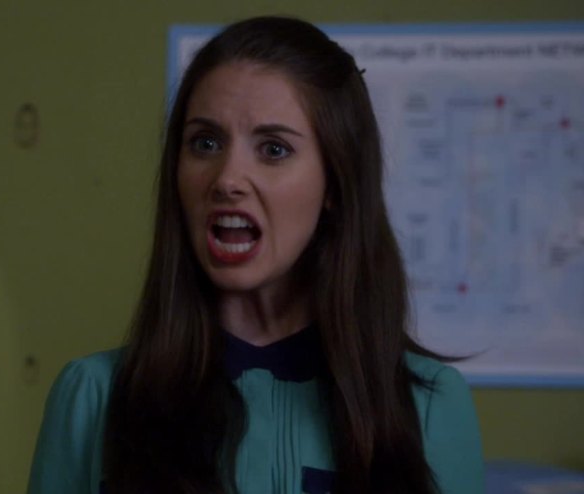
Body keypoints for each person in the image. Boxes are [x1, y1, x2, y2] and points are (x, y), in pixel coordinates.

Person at [28, 16, 483, 494]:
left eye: (273, 149)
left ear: (335, 182)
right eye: (205, 143)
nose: (227, 179)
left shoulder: (428, 406)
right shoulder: (93, 397)